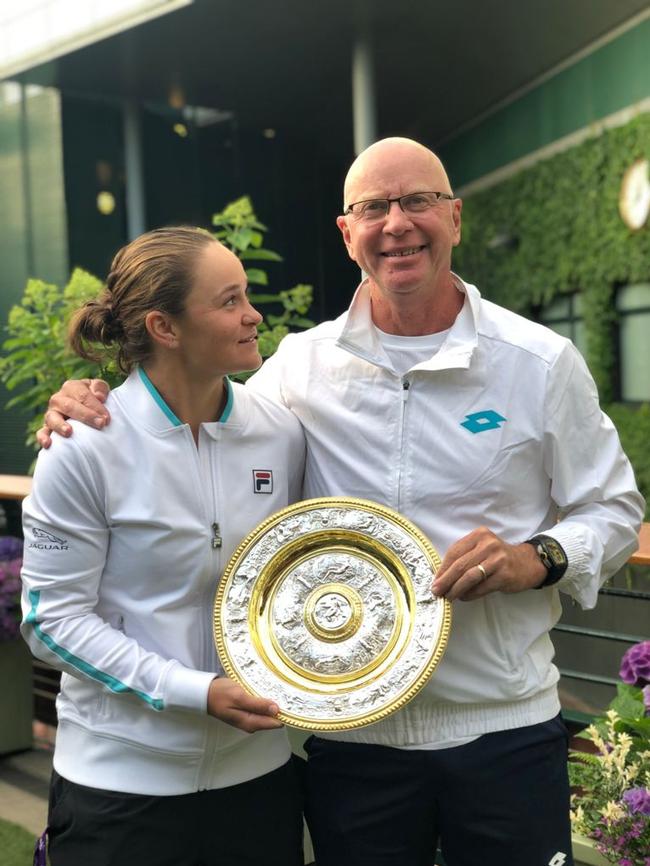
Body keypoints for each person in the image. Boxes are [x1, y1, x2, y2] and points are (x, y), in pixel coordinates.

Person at [39, 139, 645, 866]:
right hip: (355, 746)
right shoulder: (297, 370)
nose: (397, 223)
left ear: (455, 217)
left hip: (504, 728)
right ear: (346, 232)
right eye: (374, 207)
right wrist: (88, 403)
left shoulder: (539, 362)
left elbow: (613, 512)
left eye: (418, 200)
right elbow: (185, 412)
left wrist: (538, 558)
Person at [21, 227, 306, 866]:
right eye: (229, 300)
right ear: (165, 327)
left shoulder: (281, 434)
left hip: (257, 782)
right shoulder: (84, 447)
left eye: (248, 295)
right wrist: (193, 690)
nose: (253, 314)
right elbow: (52, 623)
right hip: (120, 788)